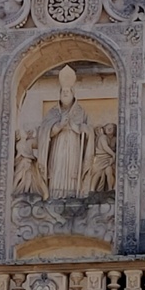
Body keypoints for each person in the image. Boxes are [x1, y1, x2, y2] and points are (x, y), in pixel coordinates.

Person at [36, 66, 92, 198]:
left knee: (72, 169)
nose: (65, 93)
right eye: (63, 91)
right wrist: (58, 126)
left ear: (73, 94)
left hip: (74, 146)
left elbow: (89, 131)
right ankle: (54, 195)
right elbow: (44, 131)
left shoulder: (81, 112)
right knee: (57, 168)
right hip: (58, 146)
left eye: (68, 91)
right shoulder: (53, 112)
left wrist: (78, 128)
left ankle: (73, 195)